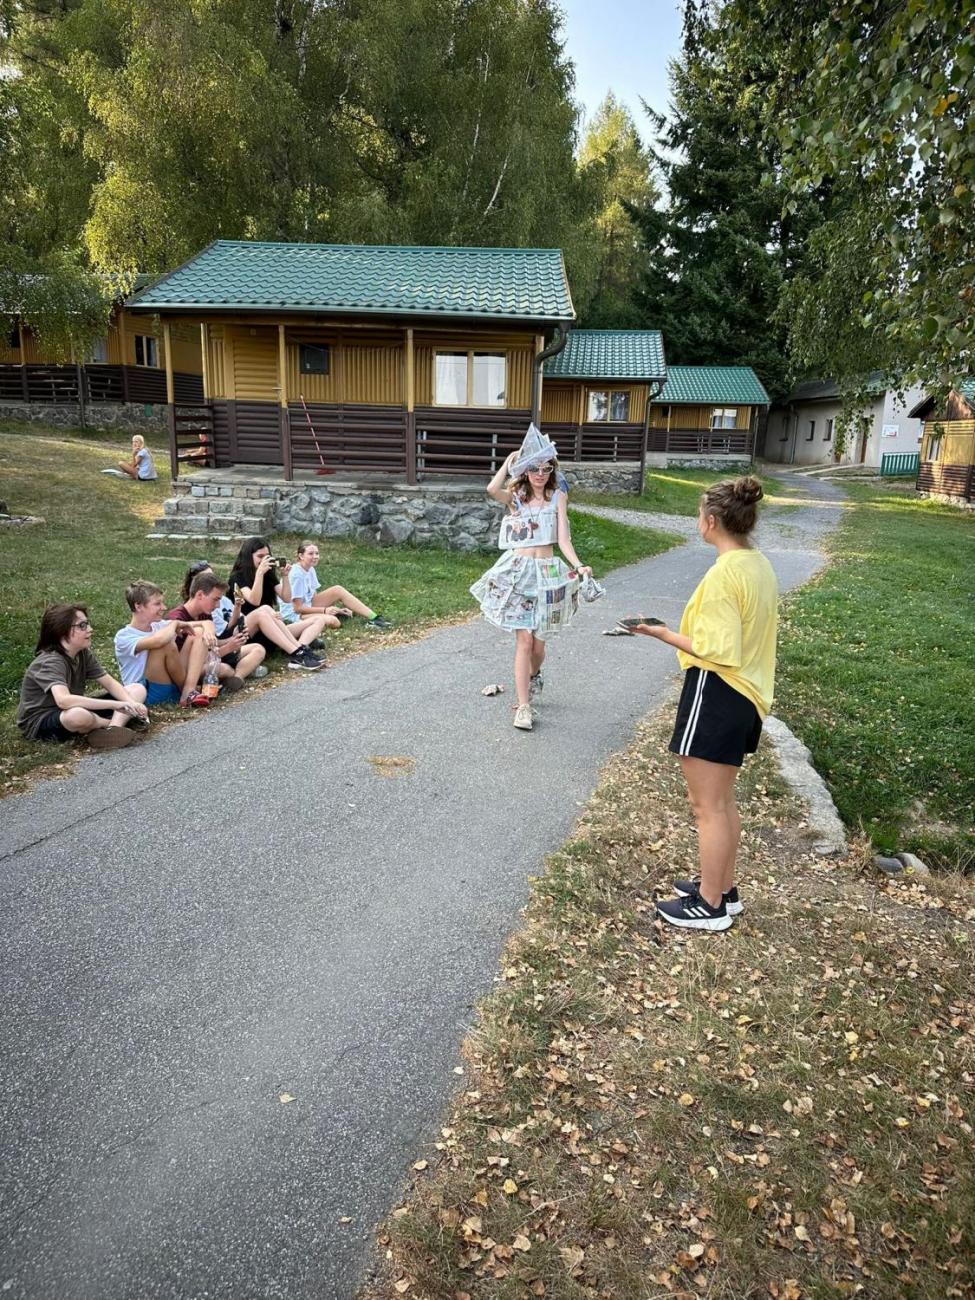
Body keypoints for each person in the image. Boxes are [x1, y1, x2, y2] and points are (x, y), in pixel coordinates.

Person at [628, 476, 778, 933]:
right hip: (747, 695)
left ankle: (710, 905)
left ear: (711, 522)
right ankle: (723, 890)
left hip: (717, 691)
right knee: (722, 802)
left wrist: (661, 632)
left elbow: (717, 650)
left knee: (706, 806)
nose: (699, 522)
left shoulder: (723, 574)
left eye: (699, 515)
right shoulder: (757, 564)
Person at [470, 425, 592, 732]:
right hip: (519, 571)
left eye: (545, 467)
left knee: (538, 647)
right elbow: (490, 490)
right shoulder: (517, 498)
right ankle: (524, 707)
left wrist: (578, 566)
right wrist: (510, 459)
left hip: (547, 573)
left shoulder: (557, 497)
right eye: (534, 468)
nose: (540, 473)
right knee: (523, 641)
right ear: (526, 470)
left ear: (552, 469)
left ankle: (533, 676)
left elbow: (564, 540)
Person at [18, 604, 149, 750]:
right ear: (62, 631)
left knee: (137, 689)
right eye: (82, 625)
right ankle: (107, 724)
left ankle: (113, 729)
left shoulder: (82, 653)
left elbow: (109, 683)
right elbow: (64, 701)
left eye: (87, 624)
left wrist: (131, 703)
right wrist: (117, 705)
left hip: (73, 708)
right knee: (78, 715)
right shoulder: (50, 661)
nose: (90, 629)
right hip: (42, 720)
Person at [227, 538, 327, 670]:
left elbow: (286, 598)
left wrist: (285, 576)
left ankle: (300, 649)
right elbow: (254, 600)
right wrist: (259, 574)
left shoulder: (268, 574)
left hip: (269, 631)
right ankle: (297, 653)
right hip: (245, 634)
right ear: (248, 557)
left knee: (318, 620)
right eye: (260, 556)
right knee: (265, 609)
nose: (264, 560)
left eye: (267, 556)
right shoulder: (237, 577)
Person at [114, 580, 213, 708]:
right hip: (146, 693)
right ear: (138, 606)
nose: (164, 607)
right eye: (157, 604)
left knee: (198, 633)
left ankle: (189, 690)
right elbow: (159, 641)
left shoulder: (159, 626)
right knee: (165, 645)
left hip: (171, 685)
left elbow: (206, 624)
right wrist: (175, 623)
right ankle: (188, 692)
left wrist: (209, 632)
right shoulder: (123, 636)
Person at [165, 572, 267, 686]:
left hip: (212, 657)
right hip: (189, 669)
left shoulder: (205, 613)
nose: (218, 605)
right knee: (225, 669)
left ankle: (237, 678)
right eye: (215, 599)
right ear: (200, 595)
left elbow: (213, 643)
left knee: (258, 649)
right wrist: (228, 648)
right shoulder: (177, 619)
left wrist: (233, 639)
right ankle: (238, 673)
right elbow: (191, 661)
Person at [283, 541, 393, 630]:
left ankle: (375, 618)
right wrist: (324, 610)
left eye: (317, 553)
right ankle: (331, 617)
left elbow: (313, 596)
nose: (315, 556)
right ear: (301, 556)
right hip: (295, 614)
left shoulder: (310, 568)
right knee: (334, 622)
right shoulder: (297, 574)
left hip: (307, 605)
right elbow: (297, 608)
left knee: (337, 590)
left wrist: (336, 610)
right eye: (311, 554)